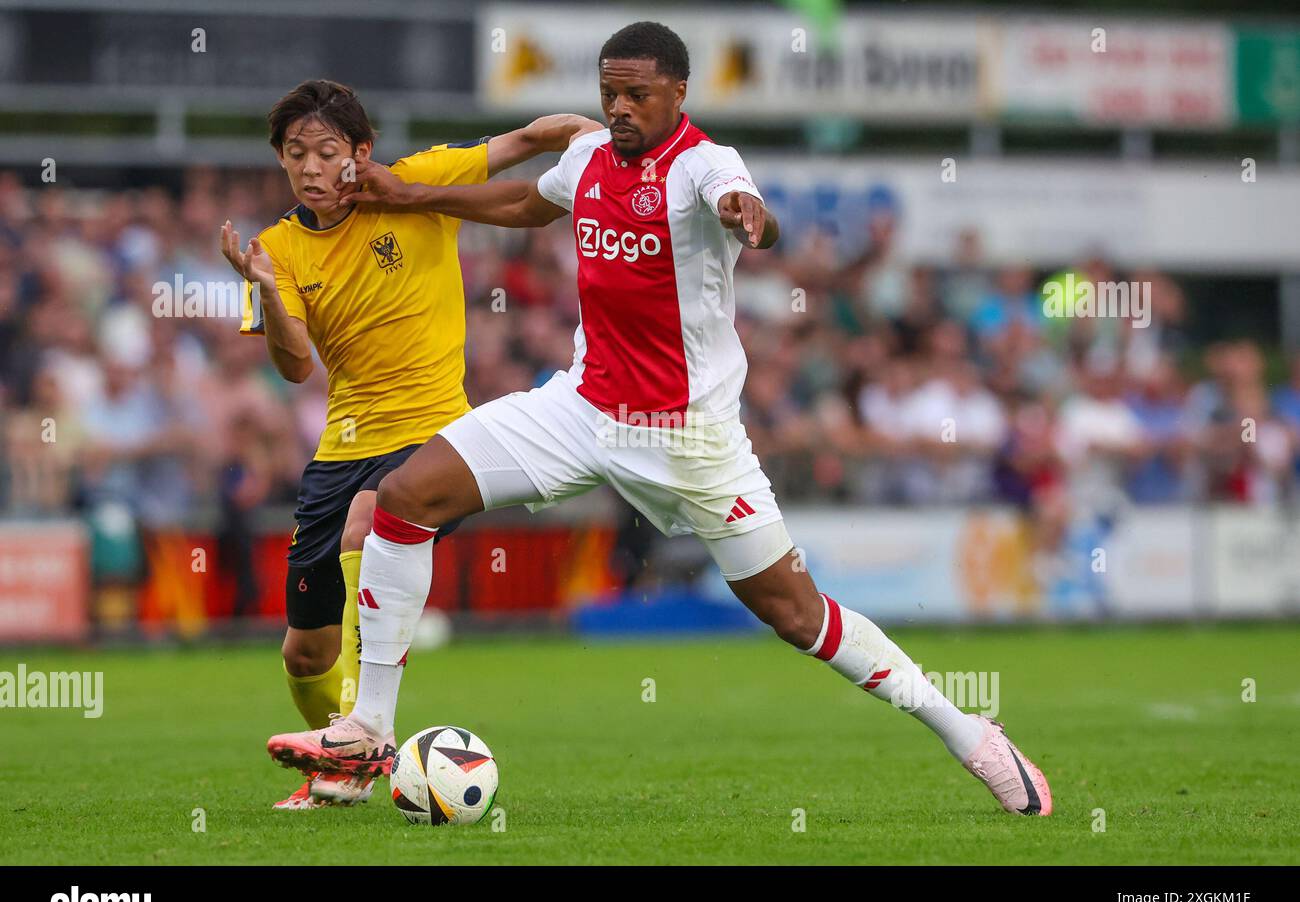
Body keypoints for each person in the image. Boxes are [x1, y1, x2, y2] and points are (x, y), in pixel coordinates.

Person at [267, 25, 1051, 816]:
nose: (619, 108)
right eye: (609, 92)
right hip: (580, 406)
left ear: (678, 93)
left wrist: (751, 214)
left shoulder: (706, 166)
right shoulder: (588, 161)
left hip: (687, 436)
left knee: (794, 613)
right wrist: (414, 195)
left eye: (637, 94)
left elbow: (752, 212)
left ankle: (967, 732)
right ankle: (368, 724)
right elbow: (522, 201)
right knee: (405, 498)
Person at [220, 78, 599, 809]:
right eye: (294, 154)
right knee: (304, 653)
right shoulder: (276, 250)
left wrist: (599, 138)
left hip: (432, 437)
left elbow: (526, 140)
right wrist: (266, 290)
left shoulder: (418, 181)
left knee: (373, 515)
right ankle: (341, 768)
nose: (308, 168)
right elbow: (296, 366)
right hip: (340, 448)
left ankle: (367, 732)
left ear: (361, 152)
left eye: (325, 151)